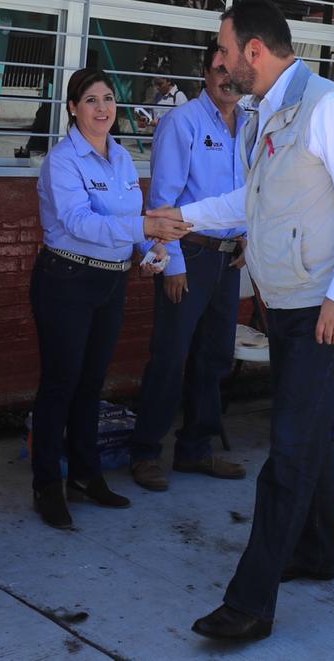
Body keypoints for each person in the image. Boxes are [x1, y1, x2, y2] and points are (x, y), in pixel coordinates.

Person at [152, 0, 334, 641]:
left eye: (224, 51)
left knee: (286, 448)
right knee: (306, 433)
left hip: (327, 304)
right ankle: (313, 551)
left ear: (254, 52)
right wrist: (187, 218)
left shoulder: (330, 110)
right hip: (288, 300)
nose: (219, 63)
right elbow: (252, 200)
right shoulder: (265, 111)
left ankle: (251, 601)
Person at [29, 68, 192, 530]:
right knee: (60, 384)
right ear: (74, 108)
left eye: (108, 99)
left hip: (111, 281)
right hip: (66, 280)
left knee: (91, 383)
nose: (102, 108)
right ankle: (46, 485)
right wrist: (145, 228)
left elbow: (130, 219)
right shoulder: (63, 161)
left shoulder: (121, 158)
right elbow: (80, 223)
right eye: (91, 100)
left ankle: (84, 474)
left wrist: (151, 248)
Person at [129, 42, 248, 492]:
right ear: (204, 73)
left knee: (214, 357)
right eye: (218, 70)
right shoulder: (183, 123)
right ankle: (145, 452)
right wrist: (172, 262)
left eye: (233, 71)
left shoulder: (249, 125)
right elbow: (162, 199)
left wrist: (246, 241)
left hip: (227, 257)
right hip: (189, 256)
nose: (226, 79)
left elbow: (249, 193)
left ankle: (196, 448)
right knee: (170, 356)